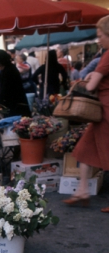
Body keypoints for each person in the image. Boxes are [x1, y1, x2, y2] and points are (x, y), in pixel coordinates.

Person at [65, 16, 109, 211]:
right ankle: (82, 190)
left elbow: (90, 85)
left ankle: (83, 190)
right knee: (85, 148)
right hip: (102, 111)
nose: (98, 40)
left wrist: (91, 76)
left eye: (101, 36)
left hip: (106, 110)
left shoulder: (108, 55)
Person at [0, 50, 31, 117]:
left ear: (0, 61)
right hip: (12, 106)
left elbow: (4, 92)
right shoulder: (6, 70)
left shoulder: (9, 71)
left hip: (16, 107)